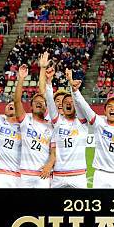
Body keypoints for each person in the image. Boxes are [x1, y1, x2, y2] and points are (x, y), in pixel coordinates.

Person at [40, 55, 89, 188]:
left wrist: (72, 85)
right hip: (59, 175)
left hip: (78, 175)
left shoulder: (82, 124)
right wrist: (49, 82)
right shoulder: (57, 121)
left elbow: (79, 103)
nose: (67, 104)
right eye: (64, 102)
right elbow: (50, 101)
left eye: (70, 102)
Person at [13, 63, 53, 188]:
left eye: (42, 102)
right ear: (31, 106)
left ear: (46, 107)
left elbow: (54, 151)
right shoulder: (25, 121)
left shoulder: (52, 126)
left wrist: (49, 166)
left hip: (43, 174)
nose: (39, 102)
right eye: (36, 101)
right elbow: (17, 101)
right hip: (25, 174)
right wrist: (21, 78)